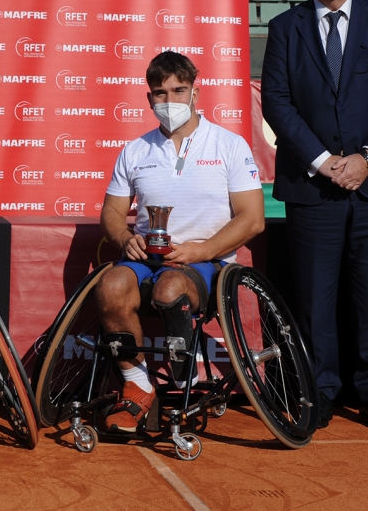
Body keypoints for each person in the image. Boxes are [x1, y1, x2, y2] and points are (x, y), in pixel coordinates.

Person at [260, 0, 368, 433]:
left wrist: (366, 159)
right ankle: (319, 391)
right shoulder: (285, 27)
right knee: (313, 299)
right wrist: (325, 160)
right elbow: (277, 102)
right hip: (313, 186)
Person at [94, 51, 265, 433]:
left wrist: (202, 250)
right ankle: (138, 386)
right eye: (159, 93)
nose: (169, 101)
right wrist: (124, 237)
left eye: (178, 90)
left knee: (172, 286)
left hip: (208, 262)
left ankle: (184, 373)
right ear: (149, 98)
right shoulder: (136, 150)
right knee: (110, 286)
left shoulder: (229, 144)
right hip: (147, 258)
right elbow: (111, 212)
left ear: (195, 93)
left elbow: (252, 219)